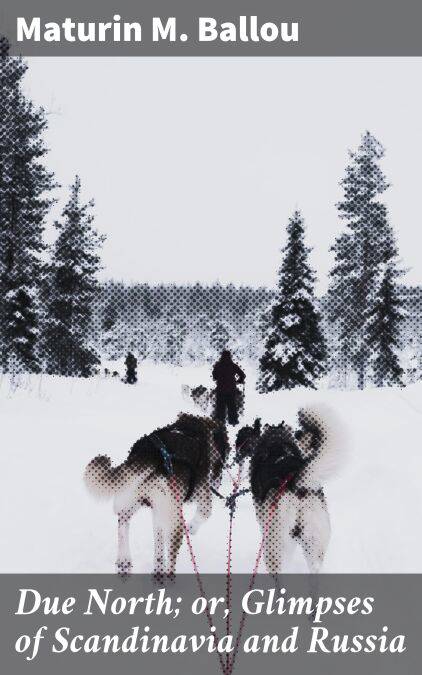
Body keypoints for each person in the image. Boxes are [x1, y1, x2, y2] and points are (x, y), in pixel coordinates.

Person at [212, 350, 245, 426]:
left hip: (220, 389)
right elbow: (242, 375)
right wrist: (239, 381)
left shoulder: (218, 365)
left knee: (220, 407)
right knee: (232, 406)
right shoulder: (233, 365)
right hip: (231, 389)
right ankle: (233, 421)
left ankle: (220, 422)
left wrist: (220, 377)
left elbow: (214, 376)